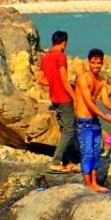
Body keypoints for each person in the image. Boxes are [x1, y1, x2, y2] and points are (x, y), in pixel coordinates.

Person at [73, 48, 111, 193]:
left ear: (102, 63)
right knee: (87, 152)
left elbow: (105, 100)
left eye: (99, 63)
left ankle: (94, 182)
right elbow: (88, 102)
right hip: (84, 122)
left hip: (95, 122)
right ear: (89, 62)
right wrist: (105, 116)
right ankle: (88, 184)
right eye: (93, 62)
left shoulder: (101, 81)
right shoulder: (82, 78)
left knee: (96, 152)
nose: (96, 66)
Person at [38, 30, 79, 173]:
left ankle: (67, 161)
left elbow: (40, 79)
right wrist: (74, 96)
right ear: (64, 43)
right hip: (63, 98)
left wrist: (53, 84)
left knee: (65, 129)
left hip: (54, 98)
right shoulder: (61, 56)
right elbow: (64, 80)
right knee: (70, 130)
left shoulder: (45, 57)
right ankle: (56, 161)